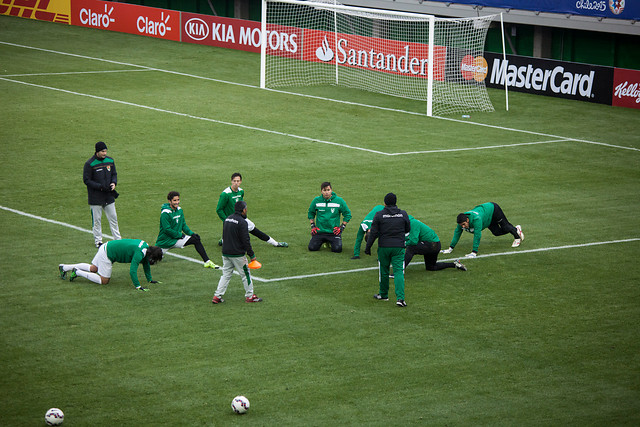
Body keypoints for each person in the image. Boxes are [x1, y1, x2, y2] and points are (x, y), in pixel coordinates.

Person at [58, 239, 163, 291]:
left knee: (94, 268)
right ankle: (78, 272)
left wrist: (149, 279)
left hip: (106, 246)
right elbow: (132, 271)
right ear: (151, 256)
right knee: (104, 281)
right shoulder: (139, 254)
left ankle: (64, 267)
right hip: (107, 254)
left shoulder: (145, 247)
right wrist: (138, 286)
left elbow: (145, 264)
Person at [216, 172, 288, 248]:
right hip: (231, 220)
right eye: (234, 181)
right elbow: (219, 209)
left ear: (241, 181)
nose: (236, 183)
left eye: (238, 181)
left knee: (253, 229)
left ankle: (275, 243)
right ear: (231, 181)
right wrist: (227, 220)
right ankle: (224, 240)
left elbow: (241, 205)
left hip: (240, 219)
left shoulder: (241, 191)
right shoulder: (225, 194)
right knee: (235, 242)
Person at [364, 193, 410, 307]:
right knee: (399, 271)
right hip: (398, 247)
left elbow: (373, 233)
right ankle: (400, 298)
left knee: (384, 271)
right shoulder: (403, 214)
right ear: (395, 202)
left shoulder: (379, 215)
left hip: (384, 247)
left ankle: (383, 295)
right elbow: (407, 229)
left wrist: (368, 247)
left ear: (384, 203)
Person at [212, 201, 263, 304]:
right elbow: (246, 240)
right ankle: (250, 296)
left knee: (226, 274)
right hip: (237, 254)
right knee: (245, 275)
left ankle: (217, 296)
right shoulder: (242, 222)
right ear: (243, 210)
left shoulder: (227, 219)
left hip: (225, 252)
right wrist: (252, 255)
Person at [155, 191, 219, 269]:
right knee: (151, 259)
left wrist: (192, 234)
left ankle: (207, 262)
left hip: (176, 239)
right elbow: (167, 230)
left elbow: (183, 225)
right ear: (169, 201)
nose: (177, 202)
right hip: (165, 242)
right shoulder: (165, 213)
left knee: (196, 240)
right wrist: (180, 235)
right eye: (174, 200)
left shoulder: (179, 210)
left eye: (178, 200)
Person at [442, 202, 524, 258]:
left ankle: (517, 237)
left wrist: (474, 252)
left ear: (467, 220)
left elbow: (477, 235)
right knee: (496, 233)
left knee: (505, 226)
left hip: (493, 209)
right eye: (461, 225)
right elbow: (457, 233)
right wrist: (450, 249)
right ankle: (516, 229)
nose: (463, 227)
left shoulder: (476, 220)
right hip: (487, 218)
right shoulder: (461, 222)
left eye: (463, 224)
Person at [83, 141, 122, 247]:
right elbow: (86, 180)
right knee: (97, 220)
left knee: (113, 217)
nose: (105, 153)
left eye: (105, 151)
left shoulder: (110, 161)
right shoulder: (90, 164)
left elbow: (114, 174)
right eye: (102, 151)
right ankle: (98, 241)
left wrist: (114, 183)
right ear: (97, 151)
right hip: (95, 197)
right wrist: (99, 187)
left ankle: (118, 239)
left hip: (108, 195)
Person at [308, 181, 352, 252]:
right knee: (312, 248)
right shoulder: (316, 200)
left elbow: (347, 214)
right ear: (321, 191)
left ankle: (330, 241)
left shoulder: (339, 201)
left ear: (331, 190)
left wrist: (341, 228)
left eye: (328, 190)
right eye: (324, 190)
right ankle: (324, 241)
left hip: (333, 232)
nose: (326, 192)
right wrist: (313, 226)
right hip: (320, 231)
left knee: (337, 249)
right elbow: (311, 213)